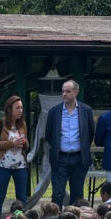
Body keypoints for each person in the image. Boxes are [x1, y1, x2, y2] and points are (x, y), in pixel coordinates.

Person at [44, 79, 95, 207]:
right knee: (57, 193)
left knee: (77, 195)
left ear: (76, 92)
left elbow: (90, 133)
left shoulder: (86, 110)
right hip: (60, 158)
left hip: (79, 159)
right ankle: (55, 218)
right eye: (63, 91)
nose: (64, 94)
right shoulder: (54, 112)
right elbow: (49, 135)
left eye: (68, 91)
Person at [0, 95, 30, 219]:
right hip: (3, 165)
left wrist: (24, 143)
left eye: (21, 108)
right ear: (9, 109)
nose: (20, 110)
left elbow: (27, 145)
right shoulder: (0, 123)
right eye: (17, 108)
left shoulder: (22, 124)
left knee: (21, 197)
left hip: (20, 165)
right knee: (0, 196)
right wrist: (12, 143)